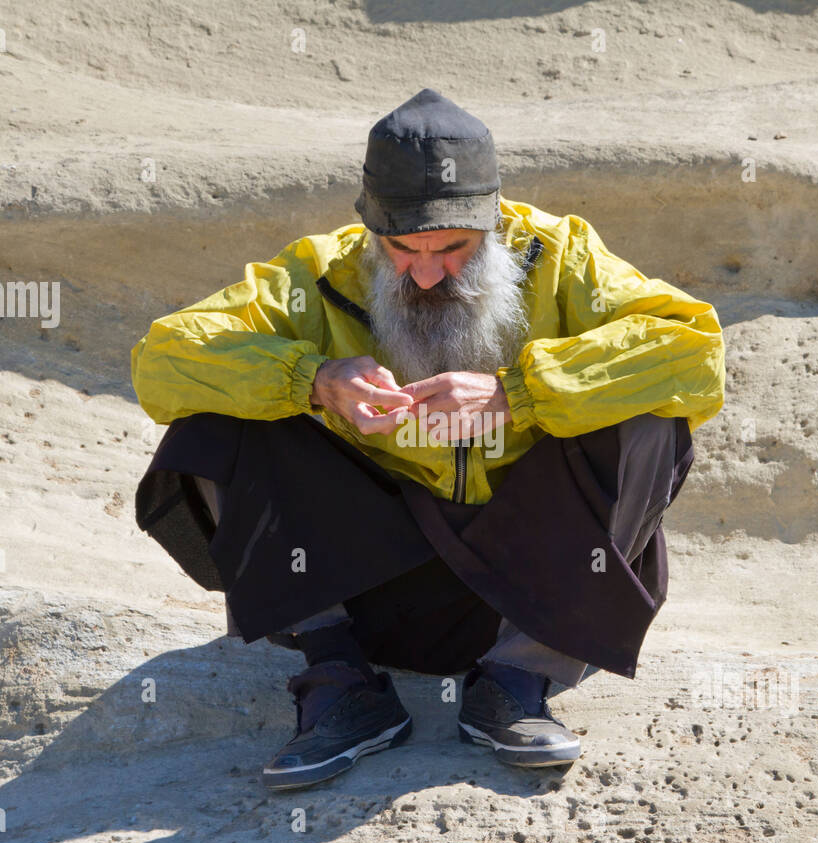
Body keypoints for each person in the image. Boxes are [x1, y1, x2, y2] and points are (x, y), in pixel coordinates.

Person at [130, 88, 725, 791]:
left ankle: (519, 679)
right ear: (370, 229)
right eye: (402, 247)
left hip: (534, 588)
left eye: (453, 248)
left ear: (494, 221)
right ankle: (341, 681)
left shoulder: (564, 256)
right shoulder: (317, 272)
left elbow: (692, 350)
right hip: (378, 587)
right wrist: (312, 378)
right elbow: (163, 360)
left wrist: (520, 394)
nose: (426, 271)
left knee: (649, 414)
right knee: (219, 411)